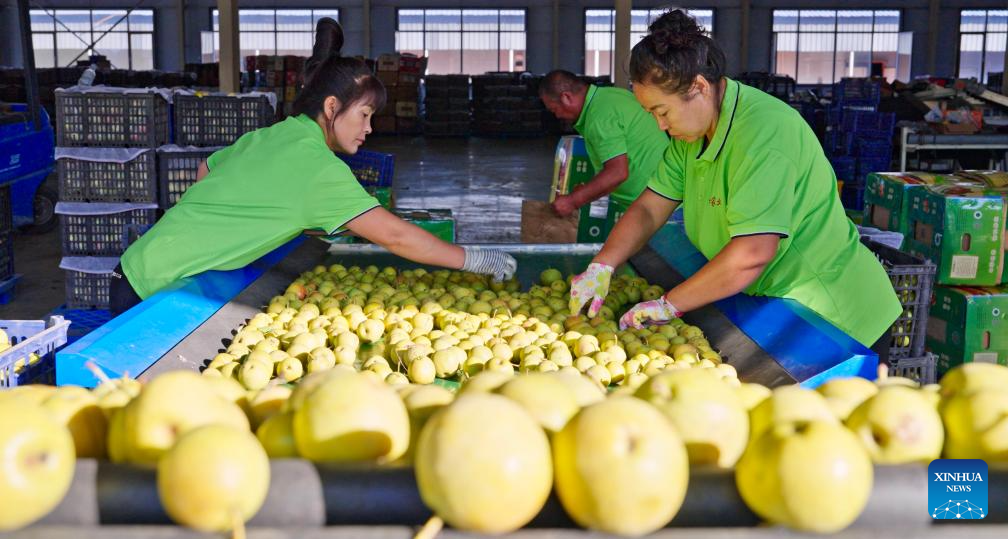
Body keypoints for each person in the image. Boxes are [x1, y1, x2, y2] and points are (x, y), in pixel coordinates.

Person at [111, 19, 515, 316]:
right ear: (331, 108)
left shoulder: (278, 133)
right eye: (365, 115)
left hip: (140, 264)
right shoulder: (320, 169)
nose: (370, 129)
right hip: (153, 291)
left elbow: (205, 172)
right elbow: (395, 235)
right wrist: (476, 259)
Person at [568, 9, 901, 359]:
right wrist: (602, 265)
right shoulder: (692, 137)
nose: (659, 126)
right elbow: (650, 208)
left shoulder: (763, 133)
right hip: (781, 306)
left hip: (836, 317)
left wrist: (669, 305)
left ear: (698, 87)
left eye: (662, 112)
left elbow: (752, 254)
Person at [539, 70, 669, 219]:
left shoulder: (598, 117)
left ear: (566, 97)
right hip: (663, 196)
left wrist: (573, 201)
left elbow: (617, 172)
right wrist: (587, 190)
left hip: (661, 207)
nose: (557, 116)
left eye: (554, 110)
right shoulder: (610, 96)